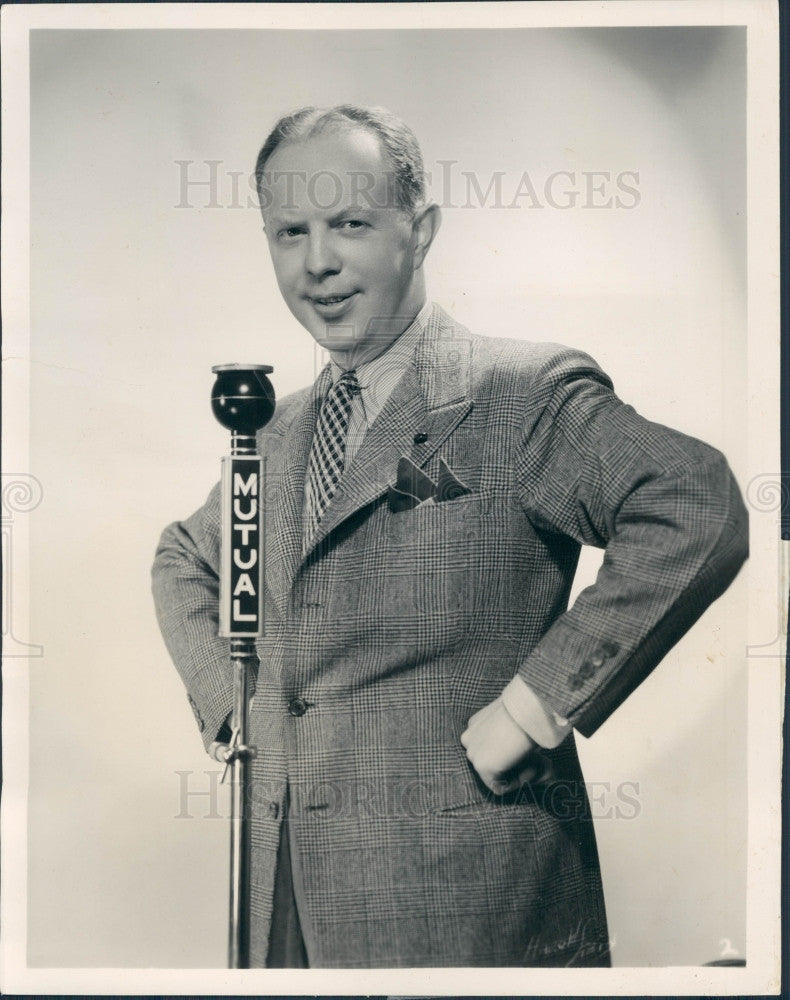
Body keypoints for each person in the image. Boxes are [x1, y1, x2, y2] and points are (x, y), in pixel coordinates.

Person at [152, 105, 748, 968]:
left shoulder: (520, 395)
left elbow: (696, 501)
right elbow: (184, 558)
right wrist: (233, 706)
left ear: (419, 231)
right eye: (290, 232)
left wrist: (535, 706)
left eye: (350, 224)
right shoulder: (277, 434)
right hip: (279, 906)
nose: (317, 263)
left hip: (467, 914)